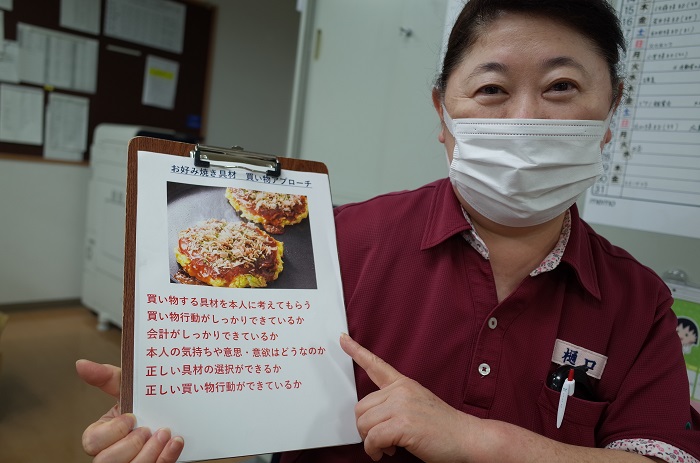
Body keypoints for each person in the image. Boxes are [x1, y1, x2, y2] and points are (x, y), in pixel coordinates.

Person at [77, 0, 700, 461]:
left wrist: (481, 441)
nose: (526, 120)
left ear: (611, 110)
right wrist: (181, 410)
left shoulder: (639, 301)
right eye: (492, 88)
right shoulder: (338, 242)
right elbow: (256, 401)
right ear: (442, 114)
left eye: (562, 87)